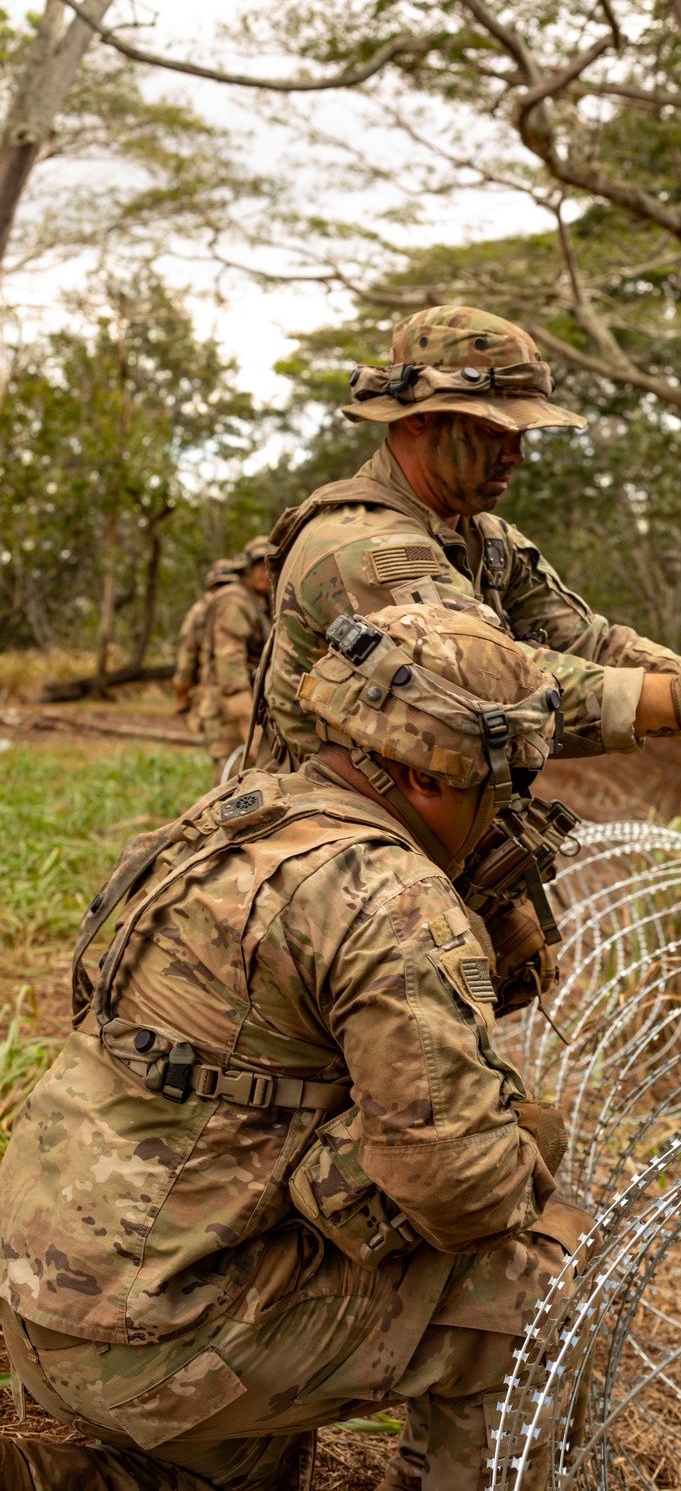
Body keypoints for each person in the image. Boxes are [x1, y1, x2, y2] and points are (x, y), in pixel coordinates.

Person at [0, 603, 592, 1491]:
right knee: (531, 1287)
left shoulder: (242, 811)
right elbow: (462, 1193)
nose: (506, 810)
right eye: (498, 785)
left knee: (249, 1464)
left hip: (47, 1292)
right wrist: (522, 1136)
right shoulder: (393, 899)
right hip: (162, 1336)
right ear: (423, 772)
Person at [254, 305, 681, 1011]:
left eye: (523, 432)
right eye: (494, 431)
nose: (518, 454)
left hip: (411, 843)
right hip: (326, 865)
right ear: (417, 420)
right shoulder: (366, 550)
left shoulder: (482, 539)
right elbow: (481, 703)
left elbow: (587, 640)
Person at [196, 536, 273, 781]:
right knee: (229, 791)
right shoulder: (235, 600)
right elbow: (231, 679)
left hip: (251, 709)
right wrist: (252, 729)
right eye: (259, 565)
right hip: (232, 715)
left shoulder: (263, 601)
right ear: (247, 568)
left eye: (270, 564)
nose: (265, 571)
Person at [171, 558, 244, 722]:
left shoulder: (200, 609)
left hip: (214, 691)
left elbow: (187, 655)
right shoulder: (249, 606)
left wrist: (182, 690)